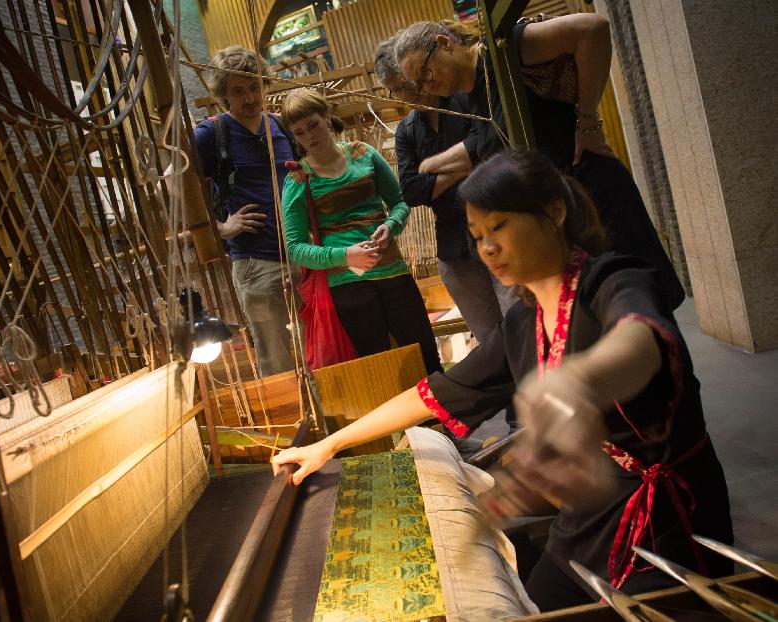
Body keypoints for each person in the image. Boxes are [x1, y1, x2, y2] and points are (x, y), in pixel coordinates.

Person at [273, 150, 733, 611]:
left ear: (553, 212)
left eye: (499, 226)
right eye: (476, 235)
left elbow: (639, 341)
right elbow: (433, 394)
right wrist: (329, 445)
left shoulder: (613, 280)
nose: (487, 248)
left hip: (668, 521)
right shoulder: (521, 324)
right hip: (587, 517)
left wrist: (578, 380)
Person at [394, 17, 686, 311]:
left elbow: (592, 29)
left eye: (425, 71)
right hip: (564, 221)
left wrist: (587, 123)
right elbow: (479, 147)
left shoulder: (503, 51)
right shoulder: (472, 99)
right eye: (419, 82)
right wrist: (428, 166)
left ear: (445, 43)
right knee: (600, 318)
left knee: (642, 309)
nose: (426, 84)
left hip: (594, 194)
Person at [280, 88, 442, 375]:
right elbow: (294, 247)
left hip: (394, 271)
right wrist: (345, 255)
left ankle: (445, 419)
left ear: (326, 117)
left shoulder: (363, 154)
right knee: (379, 372)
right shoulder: (298, 178)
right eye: (299, 132)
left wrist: (391, 227)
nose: (309, 137)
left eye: (313, 125)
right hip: (346, 284)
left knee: (427, 358)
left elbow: (400, 203)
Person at [374, 36, 517, 342]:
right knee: (490, 340)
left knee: (522, 324)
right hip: (453, 245)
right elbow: (411, 191)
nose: (407, 93)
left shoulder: (463, 99)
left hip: (498, 226)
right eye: (396, 90)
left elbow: (488, 145)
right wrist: (466, 164)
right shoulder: (407, 130)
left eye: (407, 82)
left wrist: (437, 168)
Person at [193, 46, 297, 376]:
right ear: (224, 94)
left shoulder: (283, 128)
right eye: (239, 91)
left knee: (320, 348)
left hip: (304, 254)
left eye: (255, 87)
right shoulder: (212, 134)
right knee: (275, 359)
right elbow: (170, 184)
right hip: (256, 261)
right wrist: (219, 229)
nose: (251, 98)